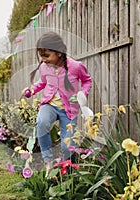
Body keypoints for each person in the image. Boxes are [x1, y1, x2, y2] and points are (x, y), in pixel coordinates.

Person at [21, 31, 92, 175]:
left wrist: (82, 94)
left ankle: (70, 169)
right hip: (50, 105)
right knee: (42, 123)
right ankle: (48, 162)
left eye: (46, 56)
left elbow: (87, 80)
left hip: (69, 110)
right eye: (41, 56)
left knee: (68, 145)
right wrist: (32, 90)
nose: (44, 60)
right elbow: (42, 82)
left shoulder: (76, 66)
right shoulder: (44, 67)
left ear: (59, 52)